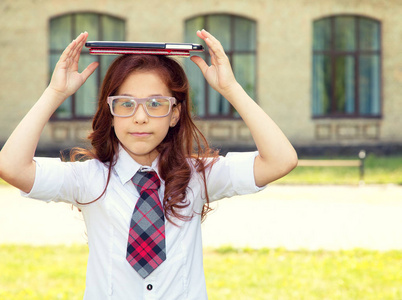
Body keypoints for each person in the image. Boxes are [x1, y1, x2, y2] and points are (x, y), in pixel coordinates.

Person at [0, 30, 297, 299]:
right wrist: (55, 93)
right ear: (111, 113)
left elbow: (281, 160)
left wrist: (231, 88)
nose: (140, 117)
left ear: (175, 114)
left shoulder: (198, 176)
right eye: (126, 104)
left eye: (156, 104)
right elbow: (12, 167)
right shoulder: (87, 178)